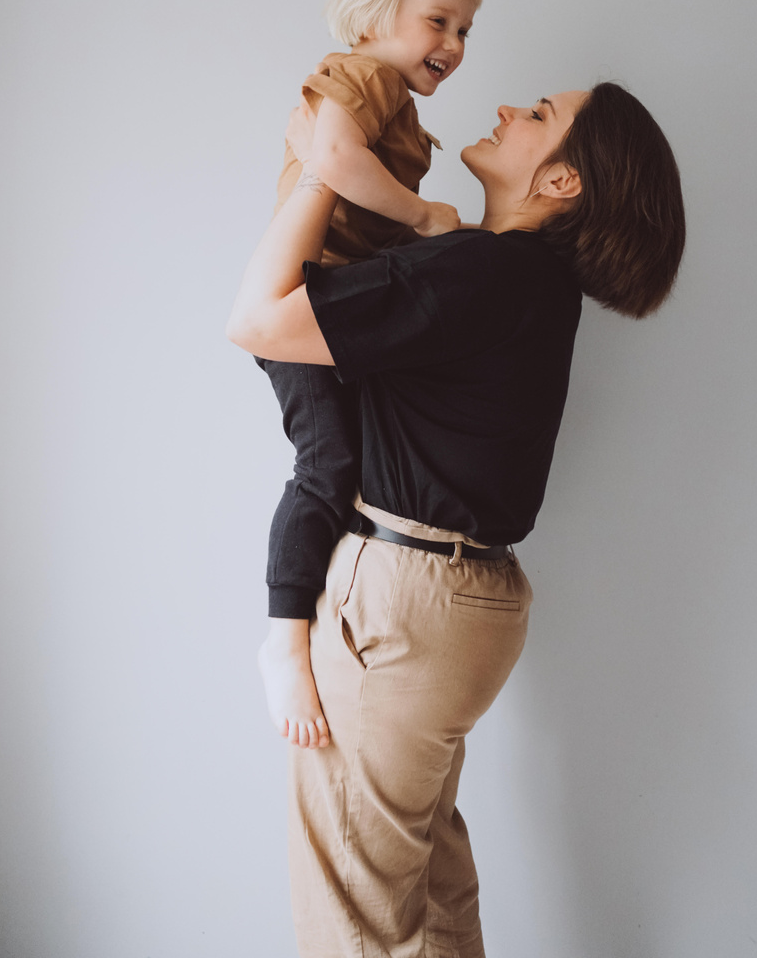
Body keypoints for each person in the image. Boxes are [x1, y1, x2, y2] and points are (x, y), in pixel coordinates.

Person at [227, 81, 685, 957]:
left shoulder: (483, 272)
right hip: (468, 605)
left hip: (403, 599)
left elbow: (255, 321)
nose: (511, 110)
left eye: (540, 117)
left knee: (356, 920)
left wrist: (324, 172)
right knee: (431, 900)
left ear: (562, 183)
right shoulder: (526, 281)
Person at [255, 0, 482, 749]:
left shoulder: (393, 97)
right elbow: (334, 160)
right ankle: (281, 640)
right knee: (325, 466)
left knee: (349, 466)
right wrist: (423, 216)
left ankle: (329, 617)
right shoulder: (362, 77)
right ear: (375, 11)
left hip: (337, 305)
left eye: (464, 31)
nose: (454, 44)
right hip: (307, 301)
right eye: (439, 21)